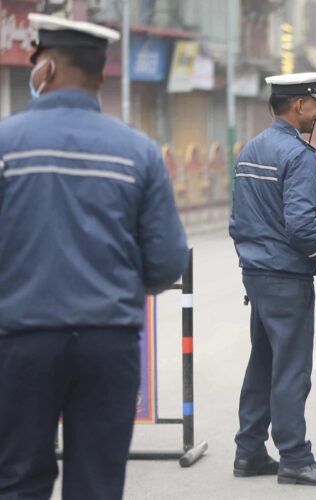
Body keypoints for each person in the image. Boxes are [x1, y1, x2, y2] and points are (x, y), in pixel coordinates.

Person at [0, 14, 188, 500]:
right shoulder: (139, 152)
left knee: (18, 480)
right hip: (110, 346)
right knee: (98, 485)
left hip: (19, 345)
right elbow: (167, 264)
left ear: (44, 68)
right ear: (102, 77)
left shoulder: (5, 145)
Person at [229, 72, 316, 487]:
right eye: (315, 103)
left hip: (257, 273)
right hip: (285, 277)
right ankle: (295, 459)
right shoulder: (298, 156)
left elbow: (240, 219)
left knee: (263, 363)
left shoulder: (251, 149)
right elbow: (300, 225)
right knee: (291, 370)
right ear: (299, 105)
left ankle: (249, 451)